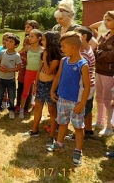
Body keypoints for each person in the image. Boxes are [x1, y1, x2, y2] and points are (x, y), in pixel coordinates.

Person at [46, 32, 90, 166]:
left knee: (77, 127)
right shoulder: (64, 60)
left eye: (63, 46)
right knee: (63, 123)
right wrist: (52, 90)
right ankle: (59, 144)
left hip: (76, 102)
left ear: (73, 47)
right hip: (62, 99)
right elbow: (58, 76)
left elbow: (87, 87)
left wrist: (82, 103)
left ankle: (78, 150)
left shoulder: (83, 64)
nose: (61, 49)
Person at [23, 31, 61, 148]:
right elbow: (39, 69)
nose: (42, 41)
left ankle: (52, 135)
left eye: (44, 40)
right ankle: (34, 130)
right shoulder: (43, 52)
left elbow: (49, 71)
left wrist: (44, 57)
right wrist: (36, 84)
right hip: (41, 84)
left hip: (51, 85)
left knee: (52, 110)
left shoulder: (55, 55)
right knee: (38, 106)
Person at [64, 26, 96, 140]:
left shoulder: (84, 55)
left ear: (84, 37)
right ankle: (88, 130)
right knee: (88, 108)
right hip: (90, 86)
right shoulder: (87, 49)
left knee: (82, 110)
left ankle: (79, 133)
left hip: (84, 88)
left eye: (76, 36)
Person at [94, 10, 114, 137]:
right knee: (99, 97)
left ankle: (110, 126)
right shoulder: (106, 35)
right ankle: (99, 121)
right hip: (99, 69)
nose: (105, 22)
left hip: (109, 72)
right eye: (105, 20)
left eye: (109, 20)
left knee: (108, 99)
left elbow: (111, 56)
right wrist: (101, 53)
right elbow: (95, 49)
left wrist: (100, 53)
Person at [0, 34, 22, 119]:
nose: (8, 43)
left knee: (12, 96)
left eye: (11, 42)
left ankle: (11, 110)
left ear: (16, 45)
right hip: (1, 78)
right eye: (7, 41)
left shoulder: (16, 56)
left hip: (10, 79)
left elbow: (18, 67)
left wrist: (8, 70)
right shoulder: (2, 52)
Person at [15, 20, 40, 114]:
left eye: (28, 27)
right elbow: (21, 51)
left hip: (33, 69)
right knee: (22, 86)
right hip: (25, 67)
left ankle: (28, 106)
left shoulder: (38, 43)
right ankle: (19, 105)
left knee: (31, 88)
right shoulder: (26, 39)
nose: (26, 29)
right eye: (25, 27)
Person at [18, 29, 43, 119]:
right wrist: (24, 60)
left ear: (39, 38)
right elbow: (17, 54)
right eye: (29, 36)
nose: (29, 38)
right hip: (29, 72)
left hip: (39, 73)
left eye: (32, 36)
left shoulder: (42, 50)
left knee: (37, 91)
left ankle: (35, 109)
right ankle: (21, 109)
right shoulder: (28, 48)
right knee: (26, 91)